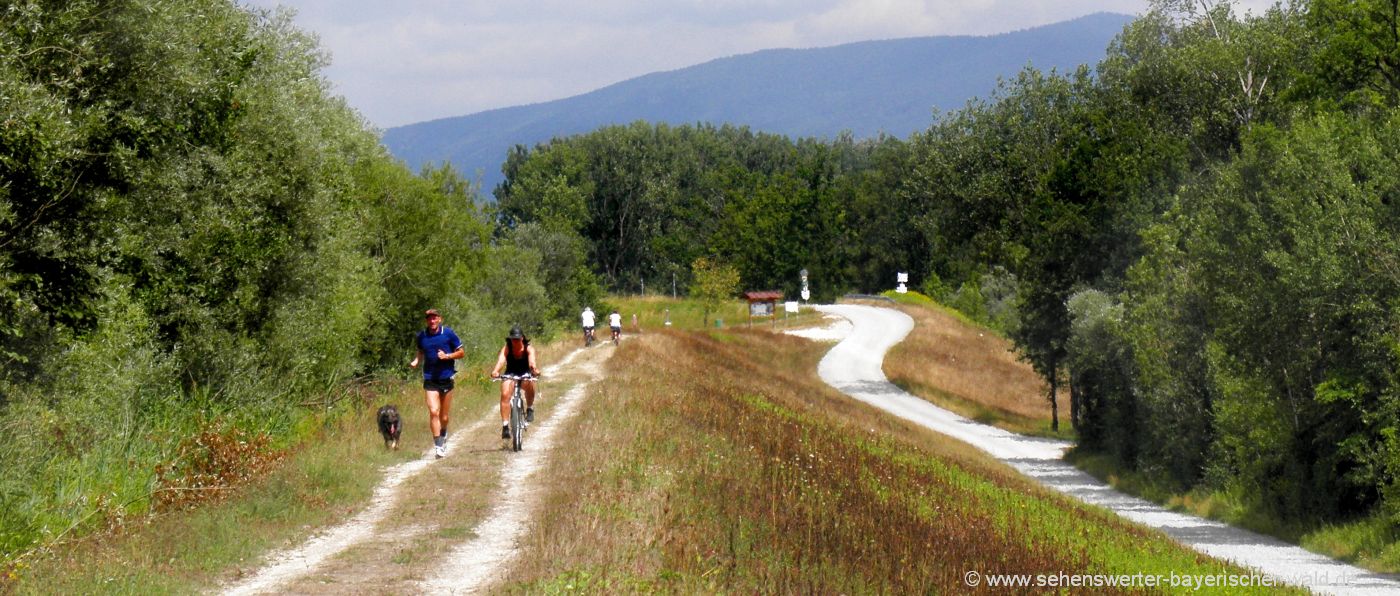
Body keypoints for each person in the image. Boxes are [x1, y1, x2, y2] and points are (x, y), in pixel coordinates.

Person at [409, 309, 464, 459]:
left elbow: (461, 352)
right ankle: (438, 446)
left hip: (446, 378)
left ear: (439, 319)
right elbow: (421, 351)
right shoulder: (422, 336)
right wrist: (416, 360)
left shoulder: (448, 334)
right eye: (429, 319)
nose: (432, 321)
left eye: (434, 318)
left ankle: (444, 434)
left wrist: (447, 356)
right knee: (434, 411)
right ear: (426, 321)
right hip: (430, 379)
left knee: (444, 417)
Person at [490, 325, 540, 439]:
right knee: (505, 394)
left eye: (517, 339)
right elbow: (501, 360)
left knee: (530, 384)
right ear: (510, 339)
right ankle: (505, 426)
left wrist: (534, 369)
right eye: (513, 339)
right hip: (511, 373)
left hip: (525, 373)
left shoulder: (528, 348)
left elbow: (532, 361)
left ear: (522, 338)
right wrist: (496, 371)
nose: (515, 341)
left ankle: (530, 408)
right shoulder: (507, 348)